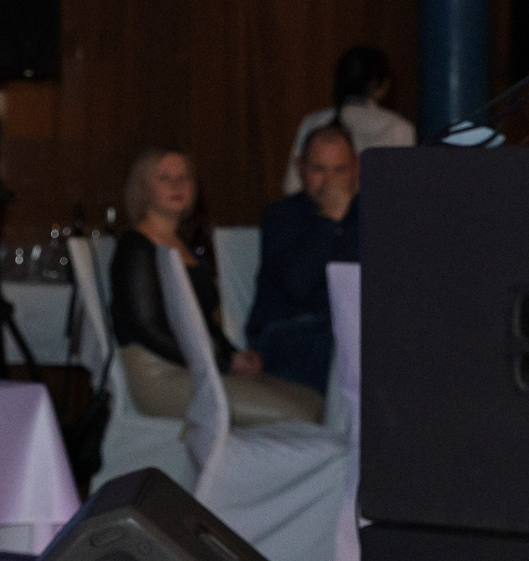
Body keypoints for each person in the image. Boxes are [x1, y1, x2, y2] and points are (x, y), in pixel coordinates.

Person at [108, 147, 323, 426]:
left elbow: (202, 321)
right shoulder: (136, 247)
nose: (177, 185)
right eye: (164, 178)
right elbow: (147, 328)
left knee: (313, 400)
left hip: (194, 366)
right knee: (298, 414)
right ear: (143, 188)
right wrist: (221, 363)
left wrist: (234, 355)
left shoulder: (179, 245)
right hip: (160, 374)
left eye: (184, 177)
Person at [247, 123, 361, 394]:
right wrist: (329, 221)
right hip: (285, 334)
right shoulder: (281, 217)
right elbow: (298, 285)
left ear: (356, 169)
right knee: (349, 340)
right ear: (300, 168)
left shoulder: (367, 218)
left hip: (345, 330)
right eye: (318, 169)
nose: (330, 182)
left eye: (339, 170)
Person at [282, 44, 414, 194]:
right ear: (381, 85)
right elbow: (403, 194)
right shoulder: (398, 128)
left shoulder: (313, 121)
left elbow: (291, 186)